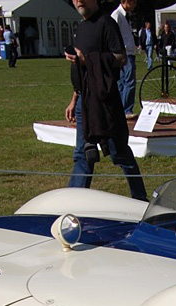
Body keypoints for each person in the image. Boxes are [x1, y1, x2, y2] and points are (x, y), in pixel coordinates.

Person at [65, 0, 146, 201]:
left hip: (105, 101)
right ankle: (72, 203)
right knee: (82, 155)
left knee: (119, 152)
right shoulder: (81, 28)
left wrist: (87, 60)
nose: (79, 1)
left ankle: (140, 199)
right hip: (84, 101)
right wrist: (74, 98)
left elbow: (121, 58)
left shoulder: (106, 23)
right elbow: (81, 70)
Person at [111, 0, 138, 118]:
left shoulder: (124, 16)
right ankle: (126, 109)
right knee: (129, 81)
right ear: (127, 1)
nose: (135, 5)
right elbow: (112, 34)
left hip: (127, 52)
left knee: (122, 82)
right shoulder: (117, 15)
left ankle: (120, 109)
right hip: (124, 53)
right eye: (134, 2)